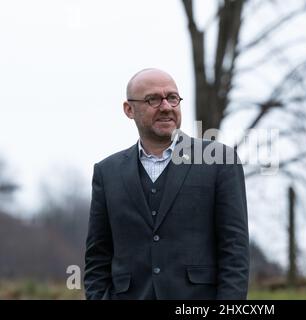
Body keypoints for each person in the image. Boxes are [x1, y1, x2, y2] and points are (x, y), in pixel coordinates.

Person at [84, 68, 249, 300]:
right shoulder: (106, 172)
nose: (166, 106)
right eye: (153, 99)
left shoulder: (221, 162)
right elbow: (97, 257)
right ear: (129, 109)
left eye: (172, 98)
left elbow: (235, 251)